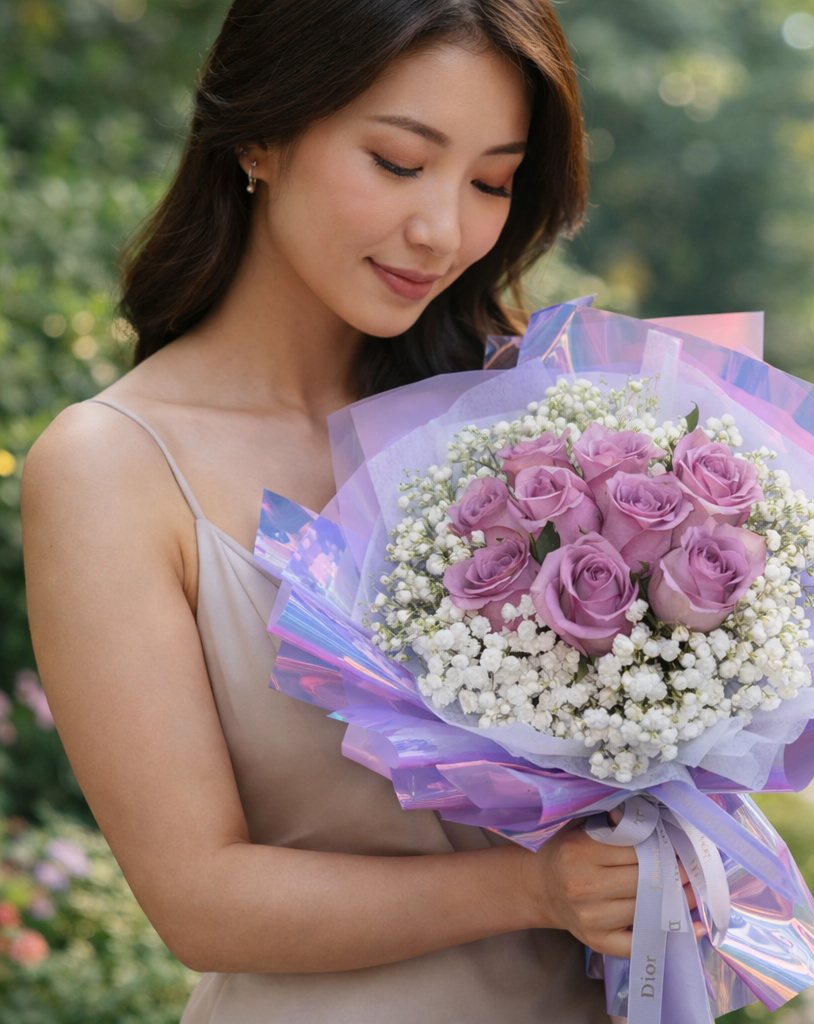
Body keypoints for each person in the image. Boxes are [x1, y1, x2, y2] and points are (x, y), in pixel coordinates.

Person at [22, 2, 694, 1021]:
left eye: (490, 183)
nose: (442, 230)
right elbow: (199, 899)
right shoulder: (111, 466)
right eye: (395, 161)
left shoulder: (530, 418)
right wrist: (532, 889)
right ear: (258, 134)